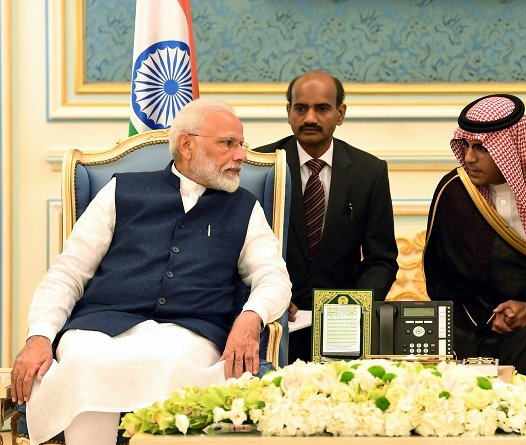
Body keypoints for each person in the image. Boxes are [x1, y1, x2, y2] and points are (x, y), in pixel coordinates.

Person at [11, 98, 292, 445]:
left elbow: (273, 276)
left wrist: (251, 317)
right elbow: (68, 272)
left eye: (241, 144)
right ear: (187, 145)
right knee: (84, 360)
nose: (241, 156)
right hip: (100, 326)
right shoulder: (120, 190)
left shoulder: (244, 207)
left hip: (189, 333)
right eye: (228, 144)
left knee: (171, 360)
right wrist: (39, 336)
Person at [254, 70, 398, 363]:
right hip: (271, 322)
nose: (310, 118)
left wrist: (353, 308)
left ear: (340, 113)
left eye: (322, 108)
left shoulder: (369, 172)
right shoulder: (260, 166)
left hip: (343, 329)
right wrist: (267, 299)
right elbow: (235, 252)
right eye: (300, 108)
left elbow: (381, 260)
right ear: (288, 112)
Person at [423, 94, 526, 377]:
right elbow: (441, 278)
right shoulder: (455, 192)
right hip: (473, 320)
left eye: (481, 148)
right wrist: (489, 316)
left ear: (511, 149)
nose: (469, 158)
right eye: (466, 146)